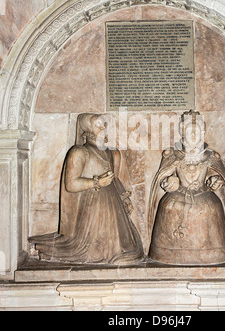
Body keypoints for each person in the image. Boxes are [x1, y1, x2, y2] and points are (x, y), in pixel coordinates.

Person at [29, 113, 144, 265]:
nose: (103, 128)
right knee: (92, 252)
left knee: (126, 249)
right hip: (92, 208)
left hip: (113, 205)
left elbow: (115, 179)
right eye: (98, 125)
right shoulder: (79, 152)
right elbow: (71, 184)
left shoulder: (112, 153)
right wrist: (96, 182)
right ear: (87, 129)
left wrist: (124, 198)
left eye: (104, 124)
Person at [148, 110, 225, 265]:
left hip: (203, 196)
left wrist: (216, 180)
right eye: (189, 132)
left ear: (202, 133)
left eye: (196, 132)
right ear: (182, 133)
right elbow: (163, 176)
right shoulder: (173, 155)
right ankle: (167, 253)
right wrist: (169, 182)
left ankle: (213, 253)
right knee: (169, 207)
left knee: (212, 207)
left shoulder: (210, 156)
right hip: (177, 196)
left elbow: (221, 177)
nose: (193, 136)